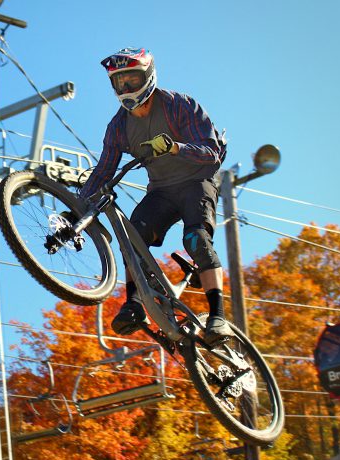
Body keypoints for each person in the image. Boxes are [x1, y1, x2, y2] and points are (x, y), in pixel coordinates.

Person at [78, 47, 232, 344]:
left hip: (197, 181)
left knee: (196, 240)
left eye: (133, 80)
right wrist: (77, 208)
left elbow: (212, 153)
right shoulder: (118, 126)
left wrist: (175, 147)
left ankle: (219, 317)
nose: (127, 88)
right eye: (120, 82)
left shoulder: (179, 105)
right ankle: (134, 304)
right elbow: (103, 171)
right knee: (132, 237)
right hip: (161, 189)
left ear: (148, 77)